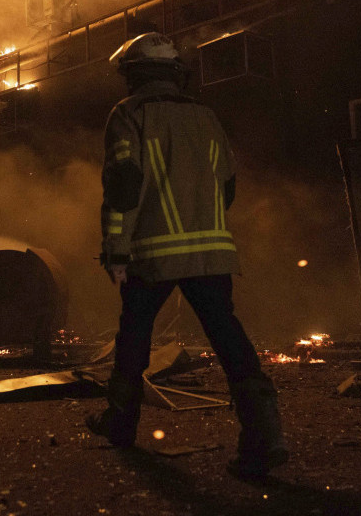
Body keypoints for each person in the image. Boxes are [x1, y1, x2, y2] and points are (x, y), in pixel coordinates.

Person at [86, 31, 288, 479]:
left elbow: (123, 185)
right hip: (212, 253)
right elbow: (228, 184)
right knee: (229, 338)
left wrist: (116, 252)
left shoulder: (128, 114)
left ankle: (120, 424)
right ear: (176, 73)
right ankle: (265, 436)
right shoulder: (206, 116)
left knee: (134, 338)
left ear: (133, 74)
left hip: (154, 255)